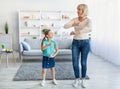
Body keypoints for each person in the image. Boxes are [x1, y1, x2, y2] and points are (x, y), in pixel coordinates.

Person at [64, 4, 92, 88]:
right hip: (75, 42)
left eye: (79, 9)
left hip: (85, 43)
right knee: (75, 62)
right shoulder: (75, 19)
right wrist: (73, 24)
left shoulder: (88, 20)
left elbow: (89, 29)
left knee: (83, 62)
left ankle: (83, 79)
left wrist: (77, 32)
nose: (77, 11)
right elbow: (65, 26)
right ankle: (77, 79)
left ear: (84, 10)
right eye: (77, 9)